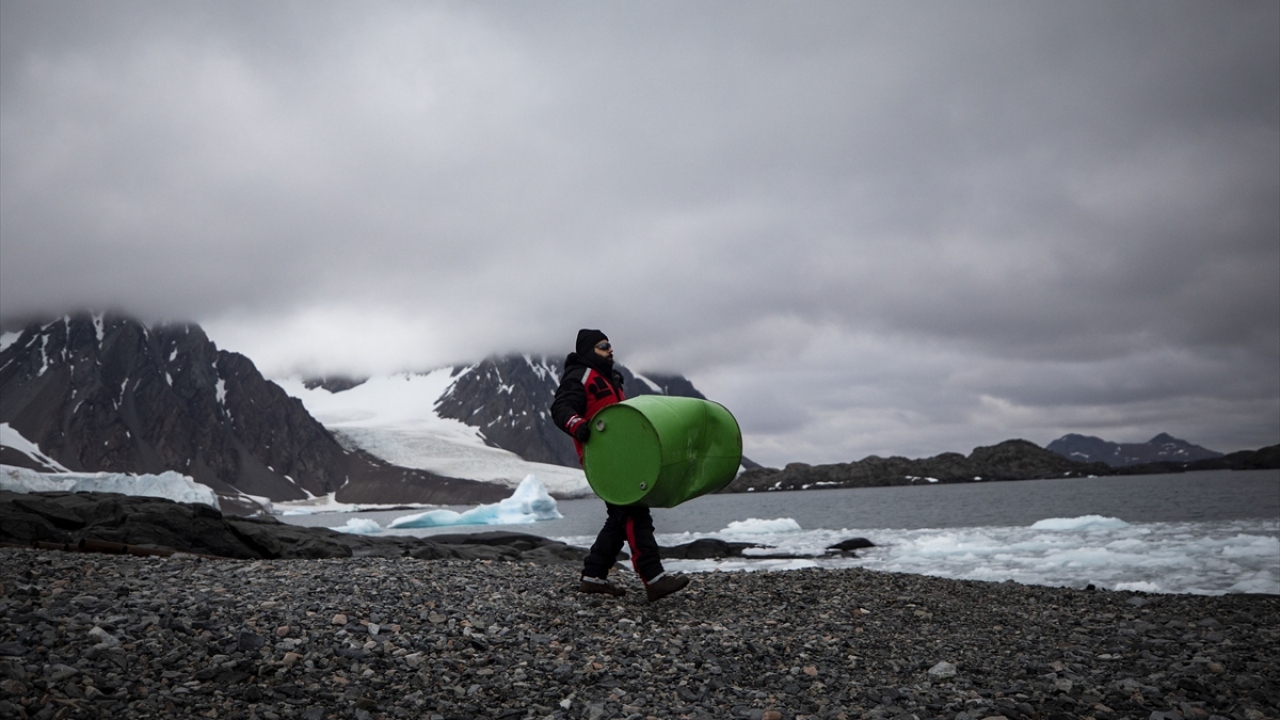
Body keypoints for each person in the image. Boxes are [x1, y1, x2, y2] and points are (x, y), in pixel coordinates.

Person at [551, 328, 690, 603]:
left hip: (623, 457)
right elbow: (561, 408)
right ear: (589, 351)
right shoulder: (580, 375)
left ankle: (593, 576)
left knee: (619, 518)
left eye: (610, 345)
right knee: (635, 513)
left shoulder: (611, 378)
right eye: (603, 346)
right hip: (604, 458)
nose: (610, 350)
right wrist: (578, 425)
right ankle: (653, 578)